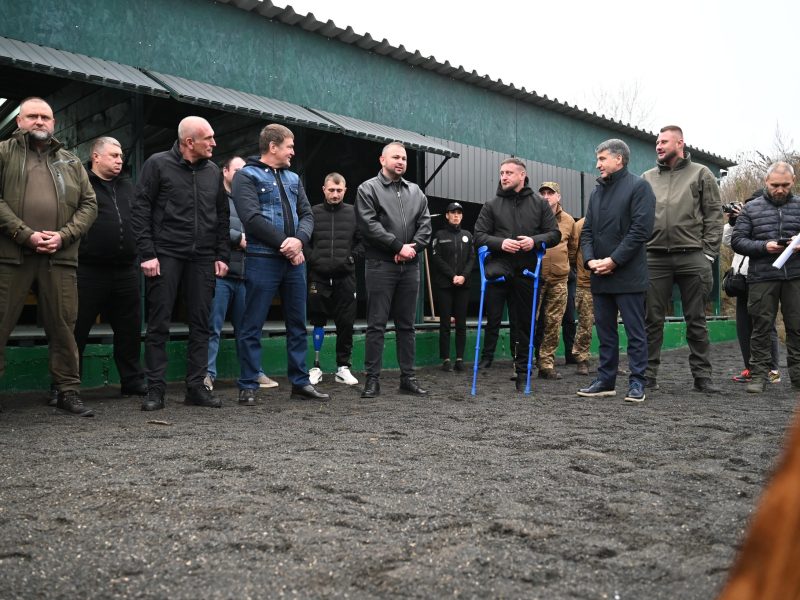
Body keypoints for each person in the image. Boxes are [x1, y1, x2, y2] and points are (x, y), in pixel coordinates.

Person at [0, 97, 97, 416]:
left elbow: (89, 205)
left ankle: (67, 391)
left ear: (54, 123)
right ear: (19, 122)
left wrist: (64, 235)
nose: (40, 122)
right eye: (33, 117)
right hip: (11, 254)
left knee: (63, 326)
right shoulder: (2, 153)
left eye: (46, 117)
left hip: (59, 256)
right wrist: (24, 233)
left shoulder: (71, 162)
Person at [131, 116, 230, 411]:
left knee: (202, 323)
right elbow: (140, 209)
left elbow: (222, 217)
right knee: (159, 323)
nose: (214, 143)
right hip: (166, 255)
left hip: (202, 258)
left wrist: (222, 255)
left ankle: (196, 387)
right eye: (208, 138)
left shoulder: (213, 172)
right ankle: (155, 389)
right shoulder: (157, 165)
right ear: (190, 142)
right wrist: (147, 253)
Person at [232, 124, 328, 404]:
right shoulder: (245, 176)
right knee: (253, 323)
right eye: (290, 145)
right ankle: (248, 383)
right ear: (273, 147)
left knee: (297, 323)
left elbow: (307, 215)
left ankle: (300, 382)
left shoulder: (293, 178)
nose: (293, 151)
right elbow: (251, 218)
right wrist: (286, 245)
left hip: (294, 260)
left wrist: (298, 241)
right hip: (262, 259)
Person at [642, 125, 723, 394]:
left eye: (664, 141)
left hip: (692, 257)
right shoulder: (647, 178)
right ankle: (647, 375)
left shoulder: (701, 173)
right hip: (655, 258)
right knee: (651, 319)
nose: (658, 146)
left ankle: (702, 377)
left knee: (696, 319)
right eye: (657, 142)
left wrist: (709, 253)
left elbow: (714, 215)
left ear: (680, 143)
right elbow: (639, 217)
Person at [577, 139, 655, 402]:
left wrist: (613, 261)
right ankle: (605, 380)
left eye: (602, 159)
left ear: (618, 159)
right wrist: (590, 261)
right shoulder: (596, 192)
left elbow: (640, 231)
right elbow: (586, 231)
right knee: (605, 332)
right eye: (598, 159)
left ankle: (637, 383)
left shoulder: (639, 187)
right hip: (600, 275)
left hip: (628, 275)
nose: (598, 164)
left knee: (635, 332)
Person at [474, 158, 561, 391]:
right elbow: (479, 236)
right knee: (492, 318)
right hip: (499, 270)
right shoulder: (491, 205)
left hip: (526, 270)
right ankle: (487, 358)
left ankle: (522, 372)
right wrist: (501, 244)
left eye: (509, 173)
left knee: (523, 324)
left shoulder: (539, 204)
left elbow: (554, 234)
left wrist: (534, 241)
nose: (504, 176)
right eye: (502, 172)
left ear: (522, 175)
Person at [356, 141, 432, 398]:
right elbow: (369, 225)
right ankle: (372, 380)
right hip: (380, 264)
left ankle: (408, 378)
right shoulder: (368, 189)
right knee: (376, 324)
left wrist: (412, 248)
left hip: (410, 266)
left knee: (407, 325)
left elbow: (426, 226)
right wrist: (398, 246)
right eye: (396, 157)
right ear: (382, 160)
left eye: (404, 158)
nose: (401, 162)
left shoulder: (416, 192)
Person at [74, 136, 146, 398]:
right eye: (114, 155)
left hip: (126, 270)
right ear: (96, 156)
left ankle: (132, 381)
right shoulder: (81, 184)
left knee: (129, 330)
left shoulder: (128, 186)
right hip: (89, 270)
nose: (120, 160)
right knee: (76, 329)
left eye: (120, 156)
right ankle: (68, 385)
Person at [205, 156, 278, 393]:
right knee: (212, 327)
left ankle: (253, 372)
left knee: (248, 329)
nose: (243, 175)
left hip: (247, 275)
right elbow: (212, 224)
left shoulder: (249, 198)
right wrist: (238, 238)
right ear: (225, 171)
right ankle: (207, 374)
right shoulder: (215, 197)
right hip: (221, 274)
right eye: (237, 170)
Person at [731, 161, 800, 393]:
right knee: (760, 327)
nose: (780, 189)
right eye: (774, 185)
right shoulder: (751, 209)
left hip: (796, 276)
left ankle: (798, 377)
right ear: (766, 182)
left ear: (793, 182)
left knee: (797, 327)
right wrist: (764, 246)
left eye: (785, 185)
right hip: (762, 276)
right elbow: (738, 240)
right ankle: (759, 376)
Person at [306, 172, 362, 386]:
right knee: (317, 319)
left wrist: (349, 259)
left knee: (345, 323)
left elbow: (362, 242)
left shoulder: (354, 213)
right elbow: (305, 241)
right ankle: (316, 366)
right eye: (331, 190)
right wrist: (314, 259)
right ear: (324, 189)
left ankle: (343, 367)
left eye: (339, 190)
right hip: (318, 276)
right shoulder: (312, 213)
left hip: (345, 278)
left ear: (345, 191)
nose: (335, 194)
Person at [723, 194, 781, 385]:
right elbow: (728, 242)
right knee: (743, 327)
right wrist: (733, 222)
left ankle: (772, 370)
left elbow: (765, 243)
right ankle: (752, 368)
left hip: (763, 278)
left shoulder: (769, 218)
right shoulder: (743, 221)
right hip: (742, 280)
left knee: (764, 324)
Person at [534, 181, 577, 379]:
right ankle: (526, 362)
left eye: (550, 193)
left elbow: (573, 249)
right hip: (535, 277)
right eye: (542, 192)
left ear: (558, 197)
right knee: (531, 320)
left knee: (553, 322)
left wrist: (563, 266)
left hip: (560, 279)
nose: (545, 196)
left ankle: (546, 364)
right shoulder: (533, 216)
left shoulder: (569, 221)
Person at [430, 201, 475, 372]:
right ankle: (446, 359)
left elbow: (472, 258)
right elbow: (436, 258)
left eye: (459, 213)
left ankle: (460, 359)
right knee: (445, 323)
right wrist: (452, 276)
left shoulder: (468, 235)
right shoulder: (439, 235)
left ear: (461, 216)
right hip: (445, 285)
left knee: (461, 323)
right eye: (452, 212)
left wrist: (463, 276)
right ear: (447, 215)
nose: (456, 215)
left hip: (463, 285)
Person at [571, 216, 594, 376]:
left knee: (611, 324)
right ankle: (581, 359)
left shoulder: (614, 220)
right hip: (585, 283)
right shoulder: (580, 225)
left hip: (610, 281)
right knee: (585, 324)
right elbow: (572, 253)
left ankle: (611, 360)